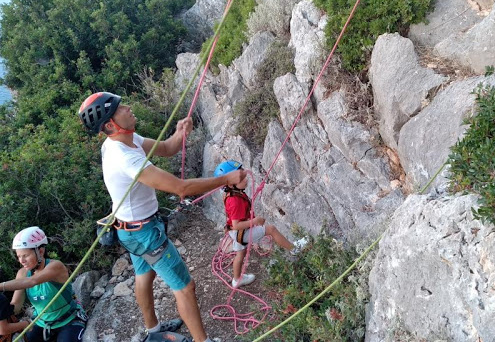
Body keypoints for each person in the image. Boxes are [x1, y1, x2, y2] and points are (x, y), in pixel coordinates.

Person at [77, 92, 247, 342]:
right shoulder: (126, 158)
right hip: (144, 233)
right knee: (185, 287)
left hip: (130, 229)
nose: (128, 107)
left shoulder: (124, 140)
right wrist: (226, 179)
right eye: (121, 107)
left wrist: (180, 133)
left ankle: (153, 332)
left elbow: (167, 148)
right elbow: (181, 188)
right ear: (111, 124)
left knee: (144, 274)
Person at [213, 160, 309, 288]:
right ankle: (294, 249)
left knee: (240, 254)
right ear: (230, 184)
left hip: (235, 232)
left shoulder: (231, 194)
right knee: (271, 229)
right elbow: (236, 224)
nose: (246, 180)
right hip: (241, 232)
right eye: (241, 179)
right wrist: (255, 221)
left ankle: (236, 280)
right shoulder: (235, 201)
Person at [1, 227, 86, 342]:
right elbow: (16, 306)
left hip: (69, 320)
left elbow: (32, 281)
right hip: (42, 323)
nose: (21, 261)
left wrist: (1, 286)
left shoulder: (55, 266)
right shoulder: (22, 273)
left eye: (25, 255)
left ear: (40, 251)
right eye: (19, 256)